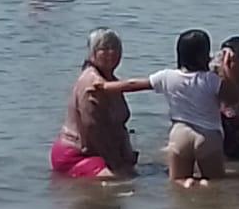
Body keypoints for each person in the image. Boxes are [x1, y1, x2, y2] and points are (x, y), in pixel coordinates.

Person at [93, 29, 230, 186]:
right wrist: (223, 70)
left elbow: (133, 84)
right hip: (208, 137)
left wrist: (105, 87)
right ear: (205, 54)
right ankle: (204, 186)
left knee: (178, 181)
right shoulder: (212, 80)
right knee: (216, 183)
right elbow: (232, 98)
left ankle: (187, 184)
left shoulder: (167, 76)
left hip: (180, 135)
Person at [50, 28, 138, 179]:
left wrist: (126, 154)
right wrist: (115, 163)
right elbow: (93, 128)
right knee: (118, 180)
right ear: (92, 53)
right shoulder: (91, 83)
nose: (111, 53)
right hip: (77, 153)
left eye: (115, 48)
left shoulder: (112, 81)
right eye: (104, 48)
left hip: (102, 151)